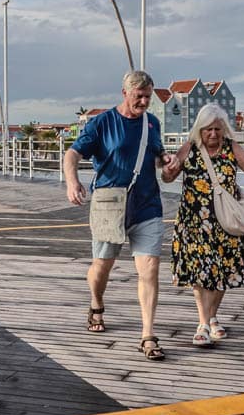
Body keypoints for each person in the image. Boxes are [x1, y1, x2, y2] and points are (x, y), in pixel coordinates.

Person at [62, 70, 173, 361]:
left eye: (148, 97)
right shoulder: (102, 123)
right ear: (125, 93)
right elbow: (72, 154)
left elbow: (157, 153)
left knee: (149, 268)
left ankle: (148, 335)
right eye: (139, 96)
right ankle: (96, 302)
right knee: (102, 266)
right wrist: (72, 182)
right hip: (110, 204)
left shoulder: (152, 122)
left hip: (147, 205)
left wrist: (166, 159)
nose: (144, 102)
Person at [163, 104, 244, 346]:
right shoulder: (190, 148)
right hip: (194, 222)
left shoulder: (231, 147)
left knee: (222, 272)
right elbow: (169, 176)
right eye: (208, 129)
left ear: (224, 129)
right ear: (199, 129)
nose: (213, 134)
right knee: (199, 272)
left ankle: (211, 317)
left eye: (217, 129)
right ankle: (204, 323)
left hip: (225, 221)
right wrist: (167, 170)